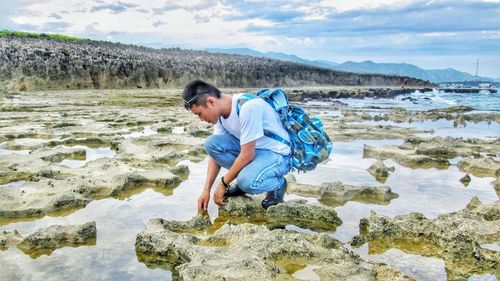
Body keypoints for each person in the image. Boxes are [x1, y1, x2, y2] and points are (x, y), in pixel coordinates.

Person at [182, 80, 291, 211]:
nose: (201, 119)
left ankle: (277, 184)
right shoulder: (220, 115)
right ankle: (246, 177)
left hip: (277, 154)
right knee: (211, 143)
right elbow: (215, 155)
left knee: (247, 182)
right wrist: (206, 190)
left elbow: (247, 155)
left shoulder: (248, 107)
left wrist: (223, 183)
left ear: (211, 102)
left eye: (199, 113)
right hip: (255, 152)